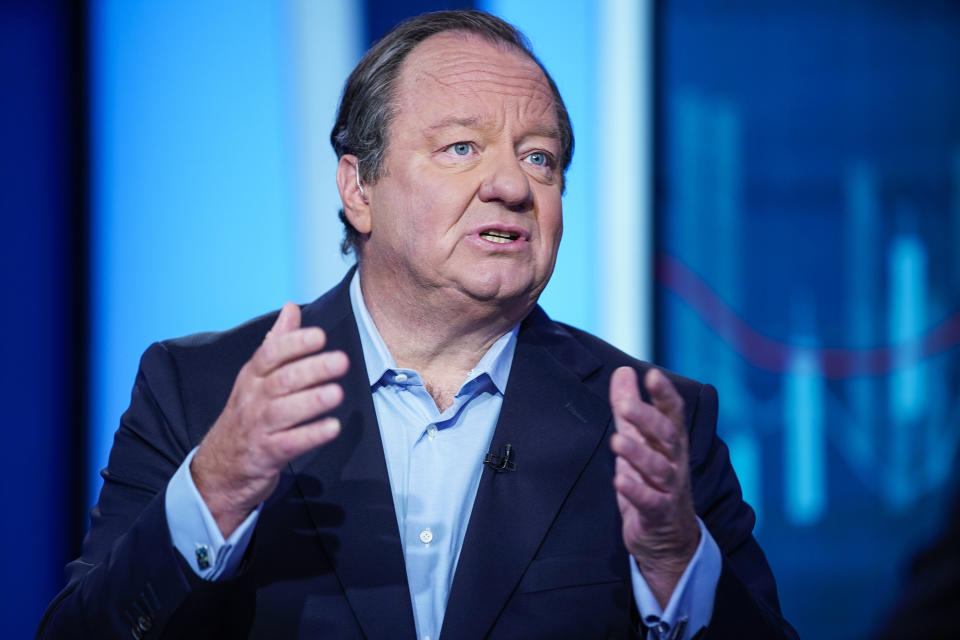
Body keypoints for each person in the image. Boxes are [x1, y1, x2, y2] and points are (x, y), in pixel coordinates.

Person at [39, 10, 797, 639]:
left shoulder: (654, 424)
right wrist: (214, 492)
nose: (509, 185)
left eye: (540, 159)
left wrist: (674, 564)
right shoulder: (199, 390)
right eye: (461, 148)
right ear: (358, 186)